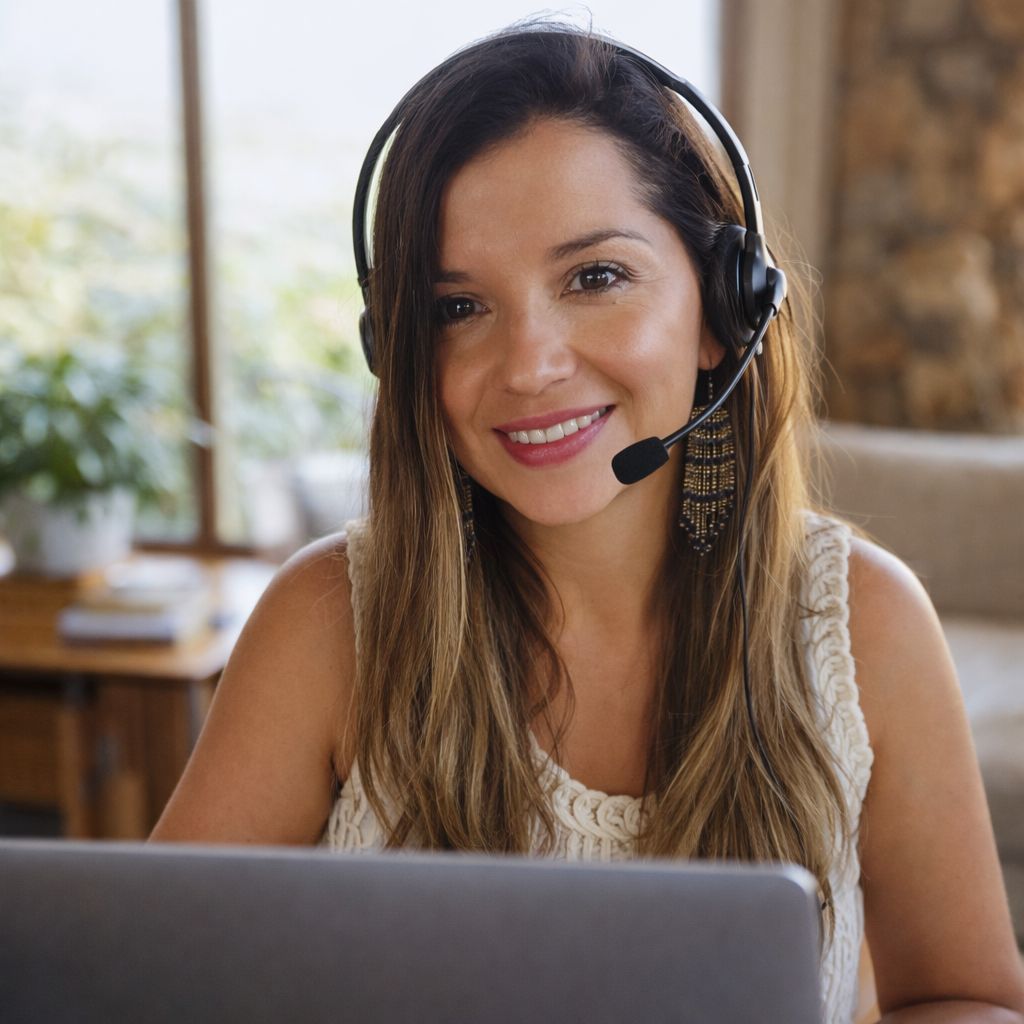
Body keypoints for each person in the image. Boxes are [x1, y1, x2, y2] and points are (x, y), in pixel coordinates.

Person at [150, 24, 1024, 1024]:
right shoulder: (328, 624)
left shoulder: (861, 625)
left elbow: (968, 998)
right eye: (457, 307)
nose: (528, 363)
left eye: (594, 277)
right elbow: (147, 985)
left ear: (719, 309)